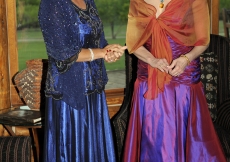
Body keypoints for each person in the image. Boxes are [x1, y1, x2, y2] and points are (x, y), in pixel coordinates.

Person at [123, 0, 227, 161]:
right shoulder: (137, 1)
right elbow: (134, 43)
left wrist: (186, 59)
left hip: (183, 78)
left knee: (190, 140)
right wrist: (153, 60)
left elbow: (203, 41)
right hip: (149, 79)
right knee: (153, 139)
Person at [38, 0, 127, 161]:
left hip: (94, 92)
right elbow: (63, 52)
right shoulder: (52, 3)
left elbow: (98, 40)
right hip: (69, 95)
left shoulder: (88, 1)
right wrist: (101, 52)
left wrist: (109, 50)